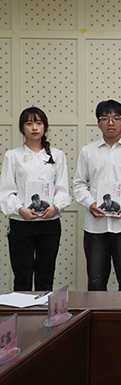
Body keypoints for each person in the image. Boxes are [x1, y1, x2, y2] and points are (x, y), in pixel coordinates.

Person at [73, 100, 121, 291]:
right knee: (96, 282)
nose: (110, 122)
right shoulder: (87, 151)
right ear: (98, 123)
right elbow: (79, 184)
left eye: (116, 118)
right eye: (105, 118)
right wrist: (90, 203)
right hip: (95, 227)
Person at [0, 107, 72, 291]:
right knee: (22, 276)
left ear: (45, 127)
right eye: (29, 123)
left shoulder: (57, 155)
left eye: (39, 123)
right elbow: (6, 190)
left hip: (49, 223)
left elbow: (62, 189)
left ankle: (44, 309)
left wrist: (56, 207)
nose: (34, 128)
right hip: (21, 222)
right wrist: (19, 209)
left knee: (45, 276)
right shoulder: (12, 155)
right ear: (22, 128)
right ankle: (22, 310)